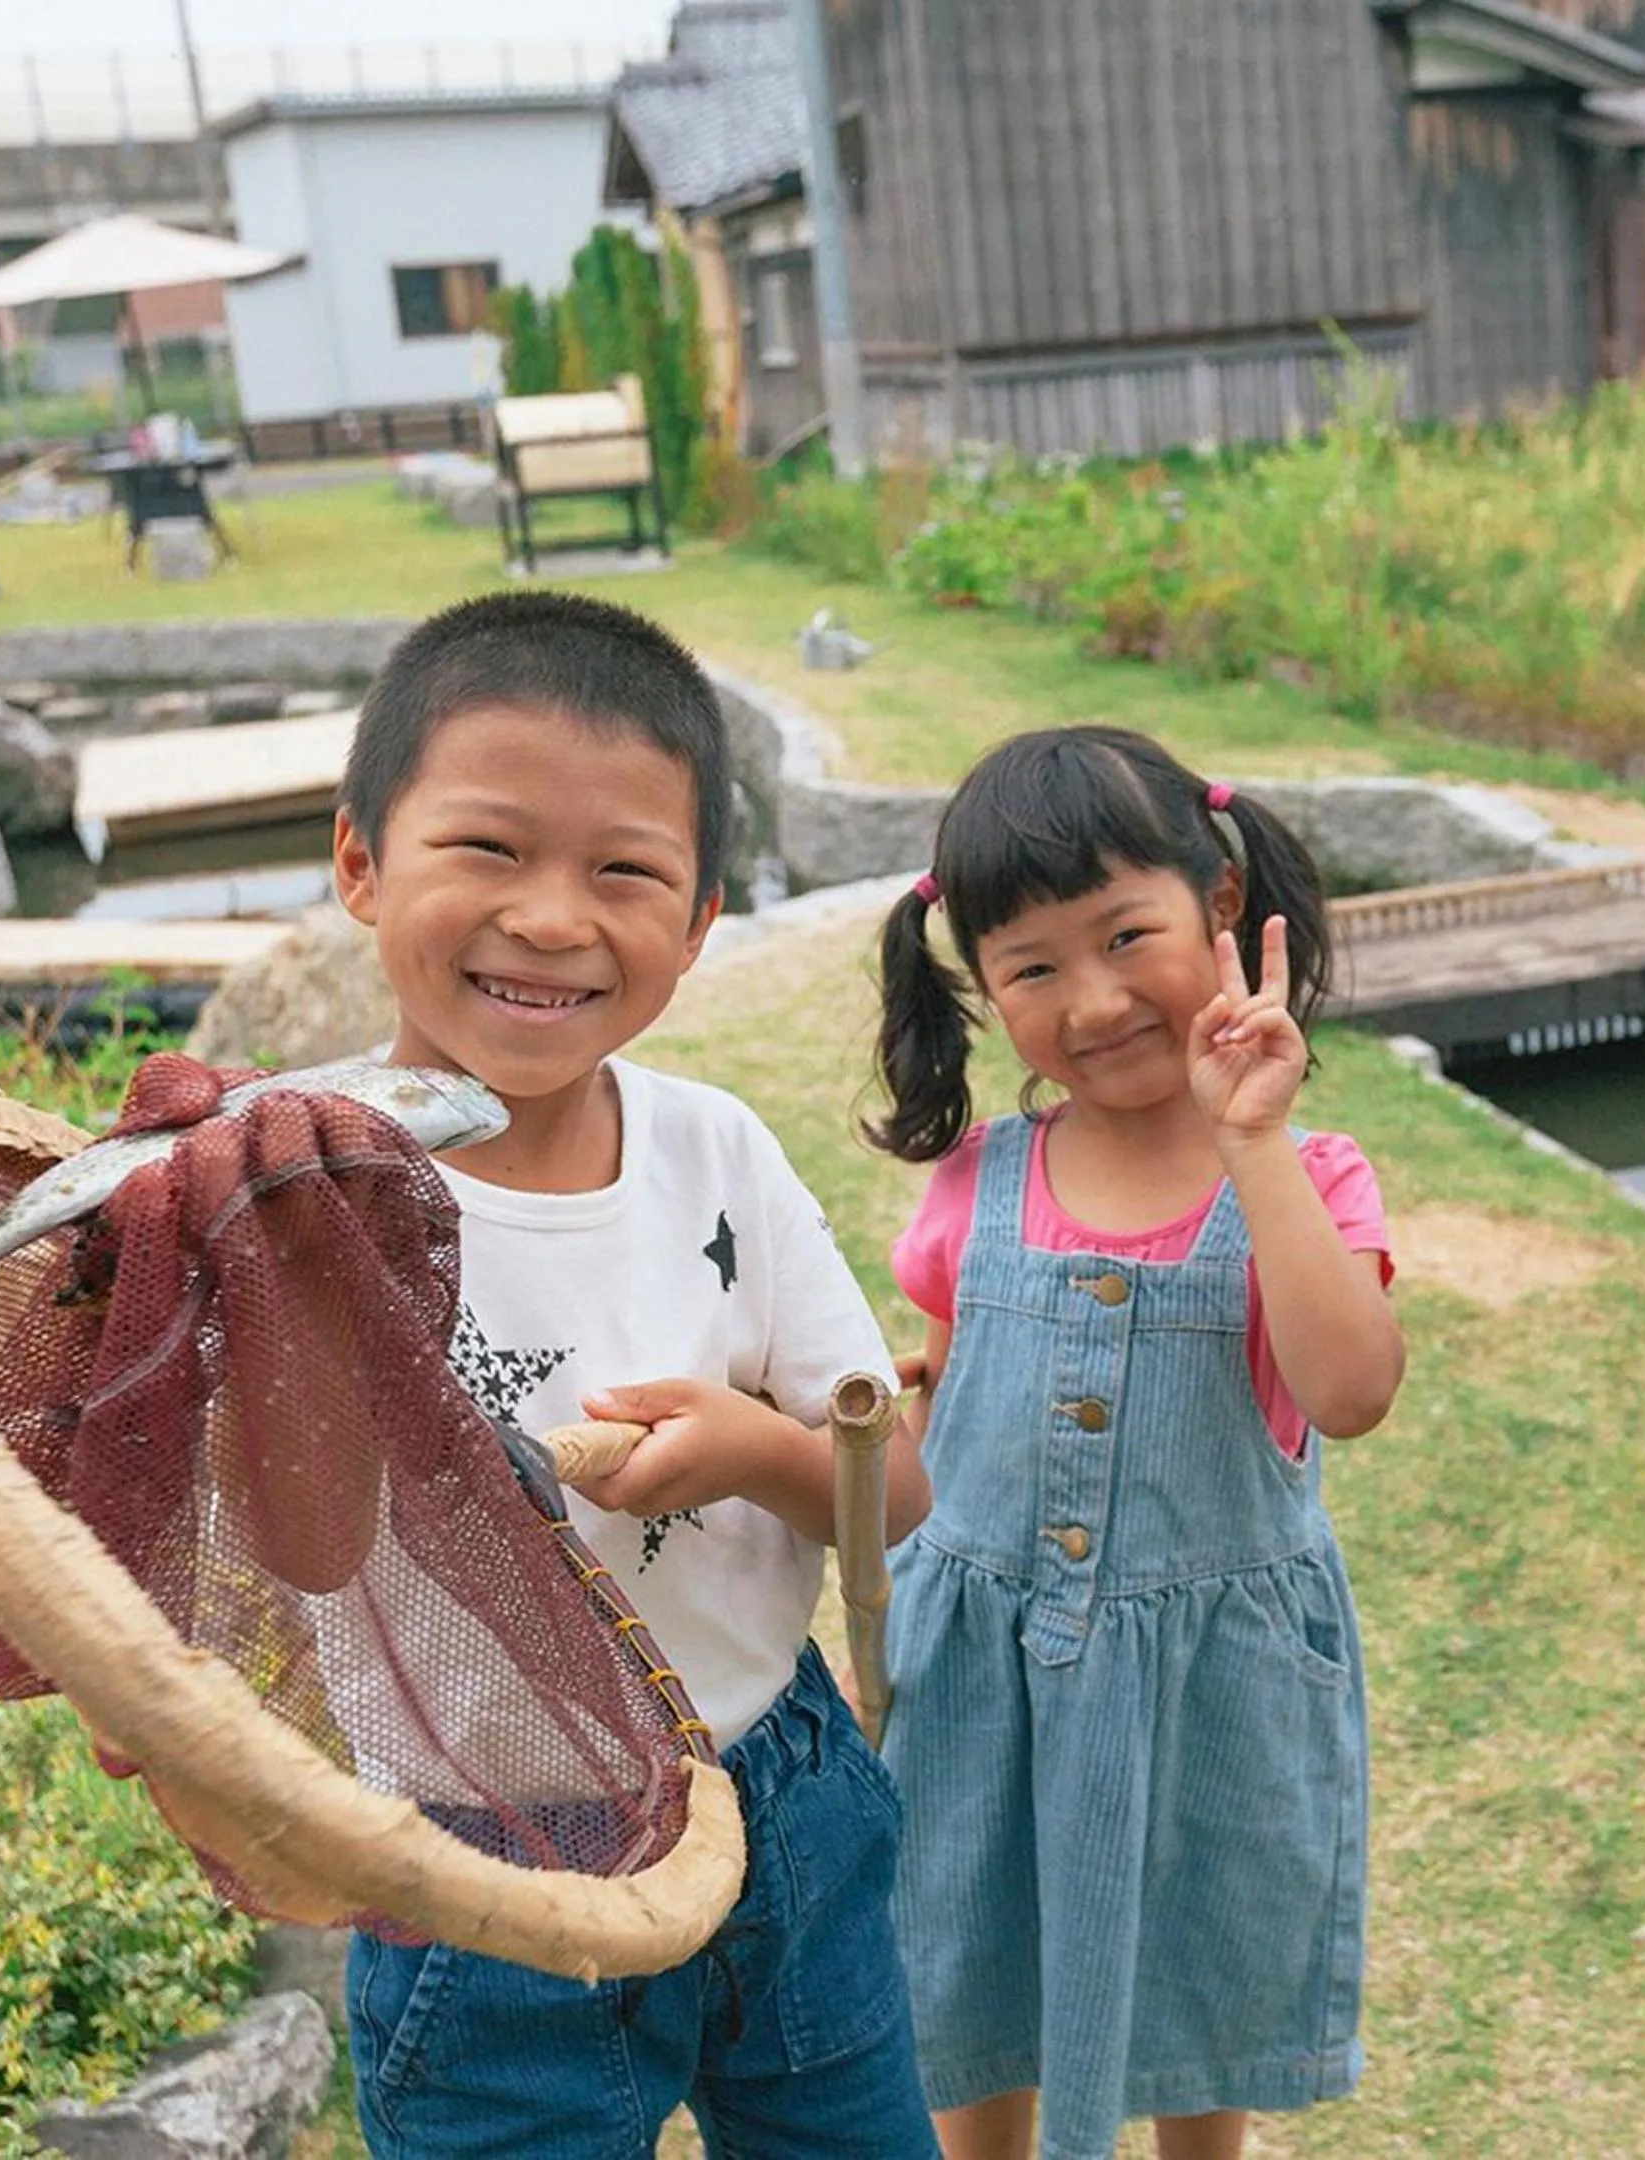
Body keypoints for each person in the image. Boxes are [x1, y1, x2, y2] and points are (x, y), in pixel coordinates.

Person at [327, 588, 940, 2159]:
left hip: (780, 1791)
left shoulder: (716, 1151)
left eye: (624, 872)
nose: (551, 917)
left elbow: (896, 1484)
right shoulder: (281, 1179)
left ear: (701, 920)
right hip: (481, 1871)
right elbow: (197, 1515)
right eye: (487, 848)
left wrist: (750, 1449)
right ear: (357, 864)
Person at [866, 726, 1404, 2160]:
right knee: (969, 1981)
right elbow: (941, 1444)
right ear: (980, 986)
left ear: (1219, 909)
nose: (1094, 1001)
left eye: (1127, 936)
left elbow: (1349, 1391)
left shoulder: (1310, 1175)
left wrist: (1256, 1144)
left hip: (1208, 1694)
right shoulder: (971, 1187)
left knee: (1192, 1992)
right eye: (1034, 966)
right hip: (977, 1681)